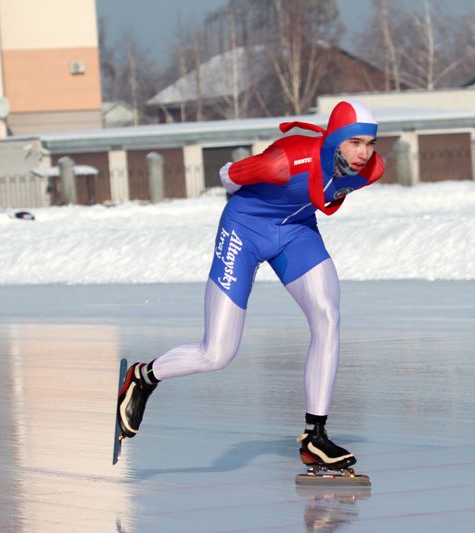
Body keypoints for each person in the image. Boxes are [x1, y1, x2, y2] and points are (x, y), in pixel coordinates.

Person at [118, 99, 384, 470]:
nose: (364, 154)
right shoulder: (285, 160)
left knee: (328, 317)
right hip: (244, 230)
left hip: (296, 233)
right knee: (216, 354)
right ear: (335, 138)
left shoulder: (371, 170)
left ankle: (315, 436)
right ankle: (143, 377)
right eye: (354, 143)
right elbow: (228, 175)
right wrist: (255, 192)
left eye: (370, 144)